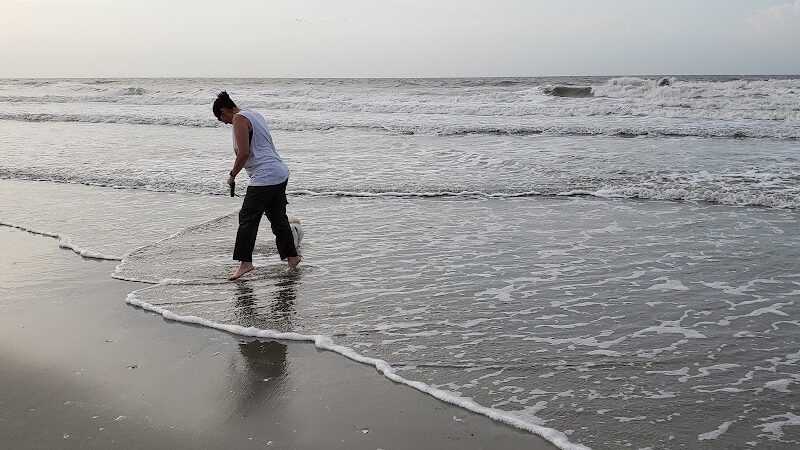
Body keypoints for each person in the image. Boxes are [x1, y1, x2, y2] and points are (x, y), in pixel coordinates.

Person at [213, 91, 301, 280]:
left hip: (266, 176)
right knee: (277, 216)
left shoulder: (238, 118)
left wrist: (232, 176)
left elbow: (243, 153)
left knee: (247, 218)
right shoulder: (254, 114)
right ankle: (292, 257)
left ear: (223, 110)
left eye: (221, 118)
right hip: (279, 172)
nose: (224, 122)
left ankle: (245, 263)